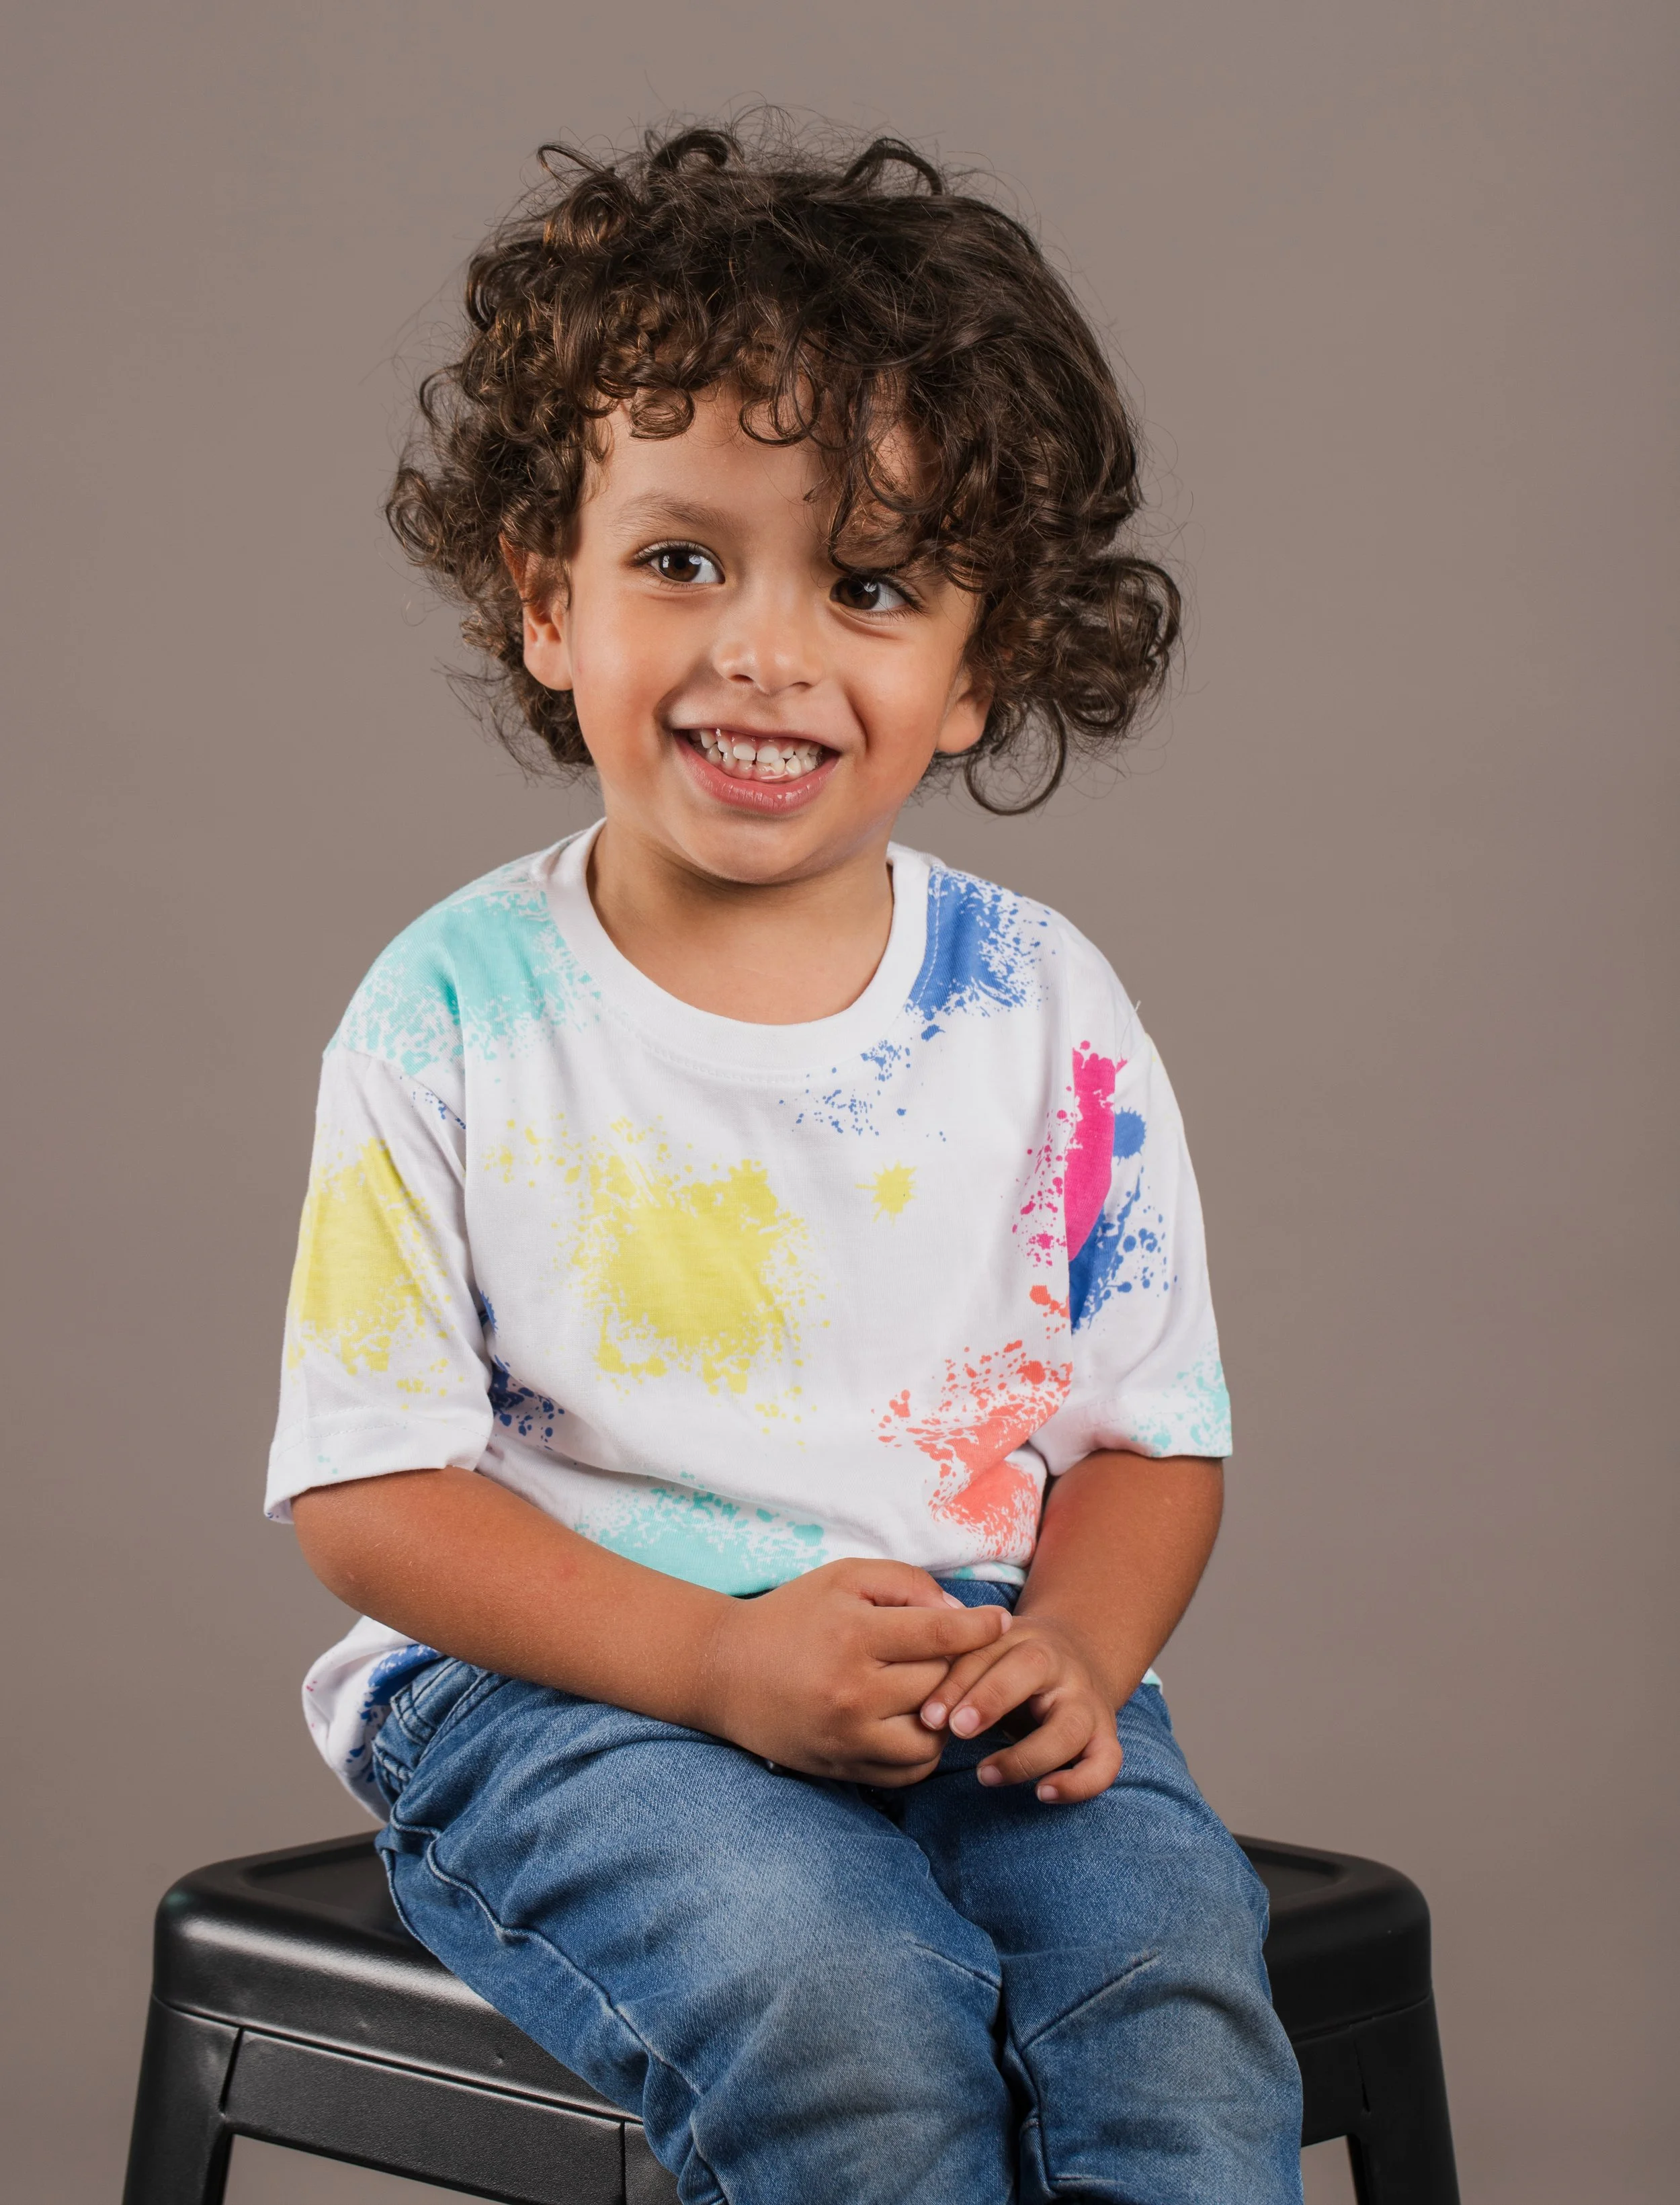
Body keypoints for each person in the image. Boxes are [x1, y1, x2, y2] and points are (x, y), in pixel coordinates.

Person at [269, 119, 1304, 2204]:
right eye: (681, 562)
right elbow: (370, 1498)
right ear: (546, 600)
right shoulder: (454, 1009)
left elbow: (1144, 1438)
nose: (764, 648)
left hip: (972, 1663)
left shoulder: (1039, 1006)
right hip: (568, 1695)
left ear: (977, 665)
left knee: (1174, 2023)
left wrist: (1079, 1653)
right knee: (842, 2012)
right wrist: (719, 1662)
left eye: (869, 584)